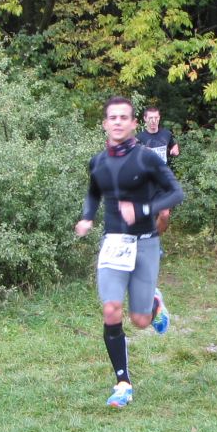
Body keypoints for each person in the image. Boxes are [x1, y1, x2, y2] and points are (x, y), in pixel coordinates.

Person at [76, 97, 185, 408]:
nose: (118, 122)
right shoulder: (98, 162)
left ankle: (153, 302)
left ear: (134, 124)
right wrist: (87, 217)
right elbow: (93, 193)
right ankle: (122, 383)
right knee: (111, 309)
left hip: (145, 242)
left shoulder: (147, 159)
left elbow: (176, 193)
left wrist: (142, 209)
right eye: (113, 117)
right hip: (113, 243)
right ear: (104, 124)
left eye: (124, 117)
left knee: (139, 320)